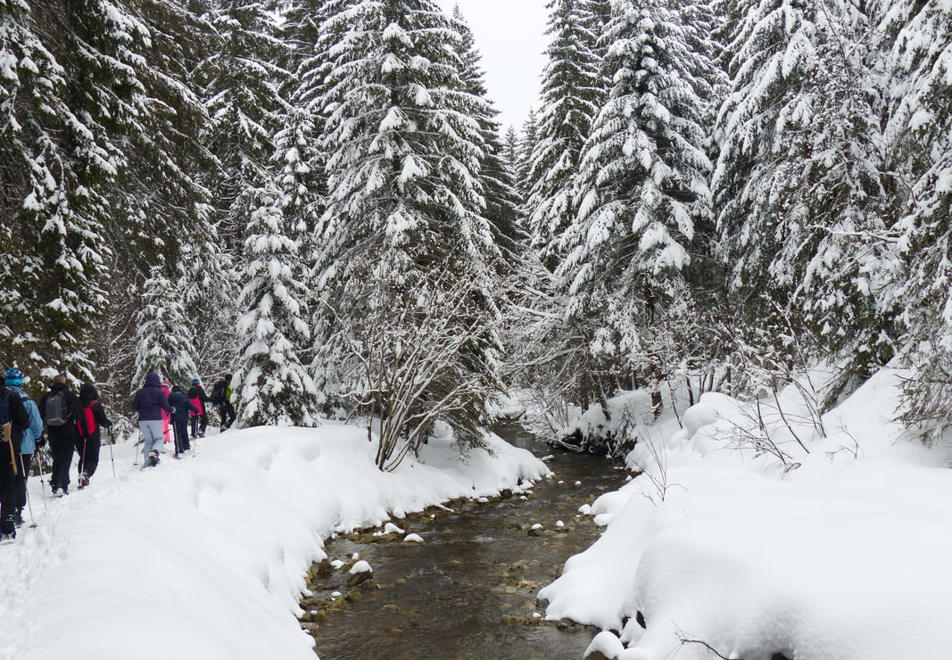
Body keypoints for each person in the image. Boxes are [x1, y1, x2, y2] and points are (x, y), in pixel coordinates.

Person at [5, 369, 43, 527]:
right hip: (23, 445)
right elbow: (36, 423)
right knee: (20, 478)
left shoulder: (3, 397)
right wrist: (38, 438)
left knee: (8, 480)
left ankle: (7, 512)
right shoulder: (26, 400)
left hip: (5, 445)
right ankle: (17, 512)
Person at [39, 375, 82, 497]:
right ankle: (62, 485)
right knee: (65, 458)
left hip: (52, 432)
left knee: (57, 458)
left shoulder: (47, 397)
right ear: (65, 383)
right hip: (68, 431)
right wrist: (83, 431)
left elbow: (40, 415)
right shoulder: (70, 395)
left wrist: (40, 434)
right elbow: (80, 414)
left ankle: (55, 482)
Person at [1, 375, 30, 542]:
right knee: (8, 486)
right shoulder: (11, 395)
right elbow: (25, 422)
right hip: (9, 447)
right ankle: (7, 528)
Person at [131, 372, 174, 467]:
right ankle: (155, 452)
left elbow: (134, 406)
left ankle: (147, 461)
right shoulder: (159, 392)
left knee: (149, 440)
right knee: (159, 438)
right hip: (155, 418)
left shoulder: (140, 392)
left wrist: (141, 410)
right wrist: (172, 410)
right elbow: (165, 406)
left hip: (142, 419)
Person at [75, 382, 112, 488]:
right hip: (92, 435)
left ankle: (81, 474)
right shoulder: (95, 405)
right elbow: (103, 421)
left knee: (83, 457)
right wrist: (108, 423)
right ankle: (86, 474)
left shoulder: (77, 404)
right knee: (92, 458)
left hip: (79, 435)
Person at [168, 385, 198, 457]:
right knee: (184, 431)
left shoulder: (170, 397)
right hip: (184, 417)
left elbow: (168, 406)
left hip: (175, 418)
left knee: (177, 433)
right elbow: (190, 406)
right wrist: (196, 410)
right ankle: (186, 446)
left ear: (173, 391)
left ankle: (179, 449)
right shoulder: (184, 397)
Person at [160, 379, 172, 447]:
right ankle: (167, 439)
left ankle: (162, 440)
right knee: (166, 426)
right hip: (166, 412)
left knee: (161, 427)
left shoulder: (158, 392)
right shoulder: (168, 392)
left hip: (159, 413)